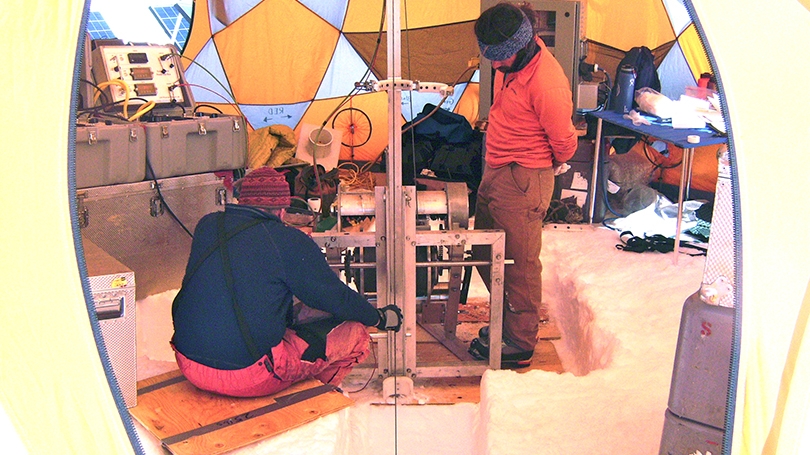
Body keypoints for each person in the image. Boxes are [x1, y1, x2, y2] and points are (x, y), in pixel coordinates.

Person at [171, 166, 403, 397]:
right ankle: (313, 398)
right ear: (282, 211)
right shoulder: (288, 240)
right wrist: (380, 317)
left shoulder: (209, 226)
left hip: (189, 362)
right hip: (247, 375)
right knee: (355, 333)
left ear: (241, 202)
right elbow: (336, 298)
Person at [468, 3, 578, 368]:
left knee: (519, 263)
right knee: (489, 251)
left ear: (524, 44)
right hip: (497, 170)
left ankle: (519, 343)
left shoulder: (548, 82)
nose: (496, 66)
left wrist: (547, 165)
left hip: (524, 178)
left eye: (501, 58)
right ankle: (505, 323)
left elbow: (565, 141)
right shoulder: (511, 63)